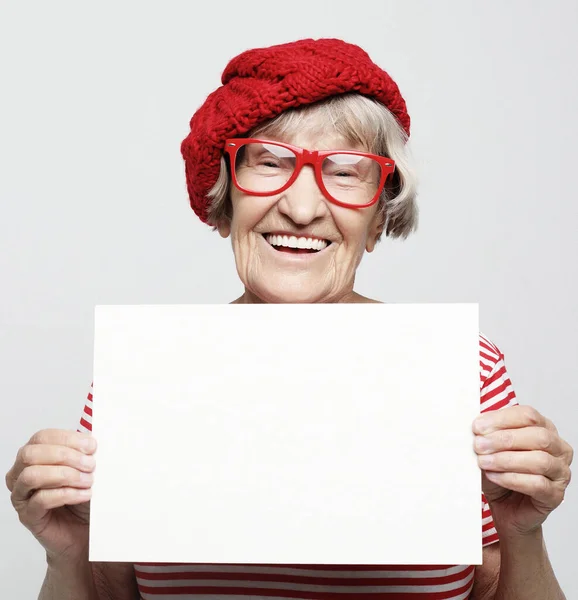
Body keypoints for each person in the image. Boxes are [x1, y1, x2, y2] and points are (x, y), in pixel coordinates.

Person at [5, 38, 573, 600]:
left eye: (346, 172)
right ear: (224, 204)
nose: (302, 209)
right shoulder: (142, 374)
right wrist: (68, 554)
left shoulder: (467, 370)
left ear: (379, 219)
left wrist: (523, 532)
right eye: (270, 163)